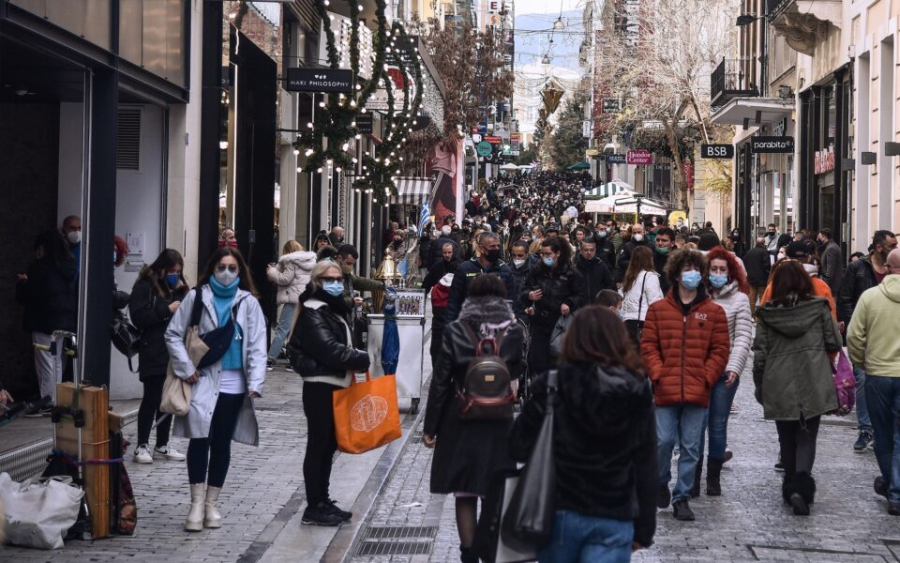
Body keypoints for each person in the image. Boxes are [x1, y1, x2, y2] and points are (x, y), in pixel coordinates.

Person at [509, 306, 657, 561]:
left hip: (560, 509)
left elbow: (517, 446)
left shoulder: (552, 386)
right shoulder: (635, 390)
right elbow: (646, 461)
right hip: (614, 510)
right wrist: (644, 527)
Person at [422, 275, 524, 563]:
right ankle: (491, 552)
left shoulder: (456, 330)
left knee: (464, 490)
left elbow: (440, 381)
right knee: (494, 490)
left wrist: (431, 427)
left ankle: (469, 553)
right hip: (500, 420)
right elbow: (516, 371)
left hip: (461, 418)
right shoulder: (513, 331)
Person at [165, 247, 267, 532]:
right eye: (221, 266)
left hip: (234, 383)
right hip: (202, 380)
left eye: (232, 268)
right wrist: (187, 368)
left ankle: (211, 503)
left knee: (221, 442)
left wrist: (256, 382)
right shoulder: (196, 297)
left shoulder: (248, 302)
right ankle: (195, 504)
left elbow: (258, 344)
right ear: (212, 268)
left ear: (240, 271)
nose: (226, 273)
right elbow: (173, 334)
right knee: (200, 439)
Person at [641, 249, 730, 521]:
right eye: (687, 269)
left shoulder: (714, 312)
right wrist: (658, 374)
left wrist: (706, 377)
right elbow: (648, 347)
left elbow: (720, 350)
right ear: (676, 274)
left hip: (697, 390)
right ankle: (660, 481)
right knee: (663, 442)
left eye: (696, 269)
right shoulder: (658, 310)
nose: (692, 274)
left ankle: (681, 497)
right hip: (665, 388)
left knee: (691, 447)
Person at [753, 260, 841, 516]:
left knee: (786, 437)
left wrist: (760, 382)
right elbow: (834, 341)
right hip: (813, 376)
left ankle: (791, 484)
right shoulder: (820, 308)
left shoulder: (768, 314)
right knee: (807, 436)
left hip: (779, 380)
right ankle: (800, 487)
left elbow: (761, 353)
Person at [288, 261, 370, 526]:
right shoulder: (313, 310)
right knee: (319, 445)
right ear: (317, 281)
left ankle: (322, 500)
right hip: (321, 385)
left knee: (328, 446)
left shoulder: (330, 308)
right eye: (328, 279)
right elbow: (330, 350)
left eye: (337, 278)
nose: (335, 283)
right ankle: (314, 505)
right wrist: (362, 357)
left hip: (335, 383)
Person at [692, 247, 752, 497]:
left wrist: (734, 368)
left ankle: (713, 478)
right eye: (713, 269)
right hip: (697, 371)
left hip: (725, 370)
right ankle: (692, 476)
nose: (717, 273)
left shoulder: (740, 300)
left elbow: (743, 336)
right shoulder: (696, 296)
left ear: (730, 272)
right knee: (696, 425)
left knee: (717, 424)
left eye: (722, 269)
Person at [847, 249, 900, 515]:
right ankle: (896, 490)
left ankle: (892, 485)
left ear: (887, 269)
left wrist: (862, 363)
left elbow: (854, 336)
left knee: (882, 434)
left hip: (878, 374)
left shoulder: (871, 297)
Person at [838, 231, 899, 452]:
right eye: (892, 244)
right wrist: (851, 327)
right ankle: (866, 429)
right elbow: (845, 298)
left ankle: (886, 429)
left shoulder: (895, 268)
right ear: (880, 247)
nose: (896, 247)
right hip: (865, 335)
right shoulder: (858, 268)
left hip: (890, 336)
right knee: (862, 379)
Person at [129, 249, 190, 464]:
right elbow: (139, 317)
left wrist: (182, 293)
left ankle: (162, 444)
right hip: (152, 349)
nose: (175, 275)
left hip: (173, 352)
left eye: (178, 272)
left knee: (168, 400)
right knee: (152, 398)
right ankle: (142, 445)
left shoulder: (177, 288)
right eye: (172, 271)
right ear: (162, 268)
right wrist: (167, 310)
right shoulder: (145, 286)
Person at [16, 230, 78, 414]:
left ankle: (48, 401)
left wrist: (23, 283)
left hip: (44, 320)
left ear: (42, 248)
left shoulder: (40, 267)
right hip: (65, 320)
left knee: (45, 362)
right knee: (57, 360)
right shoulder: (69, 265)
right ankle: (56, 399)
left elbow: (29, 295)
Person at [522, 237, 588, 375]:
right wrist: (529, 296)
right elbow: (524, 290)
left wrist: (569, 303)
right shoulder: (537, 270)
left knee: (558, 359)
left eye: (548, 254)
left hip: (560, 323)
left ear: (557, 253)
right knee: (537, 360)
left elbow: (581, 295)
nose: (545, 257)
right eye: (542, 254)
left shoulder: (571, 273)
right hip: (539, 321)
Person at [265, 241, 316, 369]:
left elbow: (285, 279)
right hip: (305, 299)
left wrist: (272, 272)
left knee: (282, 329)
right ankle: (294, 360)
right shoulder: (309, 261)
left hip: (293, 300)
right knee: (297, 330)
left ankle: (270, 359)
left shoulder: (290, 261)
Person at [445, 233, 514, 323]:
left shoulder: (505, 270)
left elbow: (511, 301)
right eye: (492, 246)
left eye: (498, 246)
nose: (496, 249)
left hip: (496, 326)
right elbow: (454, 302)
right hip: (469, 325)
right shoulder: (465, 269)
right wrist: (450, 329)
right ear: (481, 248)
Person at [422, 242, 462, 370]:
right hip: (439, 314)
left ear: (453, 252)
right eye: (445, 253)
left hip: (454, 313)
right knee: (436, 348)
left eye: (449, 253)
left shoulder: (460, 267)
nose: (447, 255)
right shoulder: (438, 266)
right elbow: (426, 283)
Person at [621, 246, 664, 348]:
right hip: (643, 322)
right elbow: (655, 302)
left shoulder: (630, 277)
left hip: (628, 321)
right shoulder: (650, 276)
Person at [575, 239, 614, 304]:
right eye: (586, 250)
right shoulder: (576, 267)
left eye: (591, 250)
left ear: (595, 250)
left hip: (598, 305)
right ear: (581, 251)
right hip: (580, 306)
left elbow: (609, 285)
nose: (589, 252)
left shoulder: (601, 266)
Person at [743, 237, 771, 316]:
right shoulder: (764, 252)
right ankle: (762, 314)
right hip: (762, 278)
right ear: (763, 243)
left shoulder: (749, 252)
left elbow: (745, 262)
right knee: (762, 296)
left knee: (752, 296)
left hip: (751, 277)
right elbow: (766, 265)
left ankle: (752, 313)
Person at [507, 240, 533, 321]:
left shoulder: (534, 271)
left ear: (527, 255)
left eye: (520, 255)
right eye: (514, 255)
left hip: (526, 315)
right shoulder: (506, 270)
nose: (516, 258)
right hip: (509, 314)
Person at [817, 228, 843, 296]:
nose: (818, 239)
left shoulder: (831, 248)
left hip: (831, 286)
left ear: (824, 237)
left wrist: (826, 281)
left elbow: (830, 267)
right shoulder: (830, 246)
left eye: (819, 237)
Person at [653, 227, 675, 294]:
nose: (660, 243)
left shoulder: (679, 260)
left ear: (672, 243)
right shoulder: (651, 259)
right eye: (657, 240)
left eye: (664, 240)